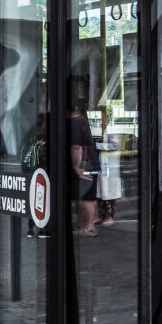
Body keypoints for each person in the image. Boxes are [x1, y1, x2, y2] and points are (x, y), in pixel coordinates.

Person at [69, 100, 99, 236]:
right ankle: (82, 225)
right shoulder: (83, 121)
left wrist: (75, 166)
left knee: (85, 197)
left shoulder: (75, 123)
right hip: (91, 160)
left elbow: (76, 147)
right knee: (83, 196)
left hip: (84, 162)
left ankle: (89, 226)